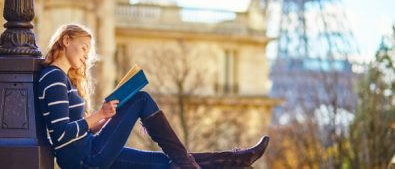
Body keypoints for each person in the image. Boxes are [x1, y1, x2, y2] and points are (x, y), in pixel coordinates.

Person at [38, 24, 270, 169]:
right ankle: (195, 164)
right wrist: (99, 113)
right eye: (84, 48)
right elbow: (61, 136)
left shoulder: (62, 80)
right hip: (83, 158)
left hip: (88, 151)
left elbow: (77, 130)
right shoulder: (54, 77)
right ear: (66, 40)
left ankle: (236, 160)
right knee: (141, 99)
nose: (86, 56)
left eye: (89, 52)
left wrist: (105, 119)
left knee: (165, 163)